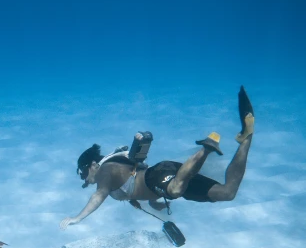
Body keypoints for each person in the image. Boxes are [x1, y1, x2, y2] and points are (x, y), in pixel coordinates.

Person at [59, 87, 254, 230]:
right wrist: (151, 202)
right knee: (227, 192)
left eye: (83, 173)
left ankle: (206, 150)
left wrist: (78, 218)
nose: (85, 179)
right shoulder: (114, 169)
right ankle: (246, 138)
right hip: (166, 176)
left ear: (93, 165)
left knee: (175, 189)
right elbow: (136, 183)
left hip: (162, 177)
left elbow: (98, 196)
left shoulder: (104, 172)